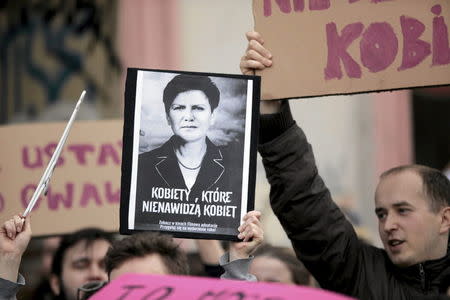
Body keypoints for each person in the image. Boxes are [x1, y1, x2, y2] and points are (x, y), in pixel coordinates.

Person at [241, 31, 450, 299]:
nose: (388, 225)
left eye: (403, 210)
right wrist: (271, 111)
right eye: (382, 213)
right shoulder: (361, 274)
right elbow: (306, 208)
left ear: (444, 219)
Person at [135, 74, 242, 232]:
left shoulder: (235, 168)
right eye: (179, 108)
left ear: (212, 116)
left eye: (198, 108)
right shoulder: (142, 165)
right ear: (168, 117)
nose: (188, 117)